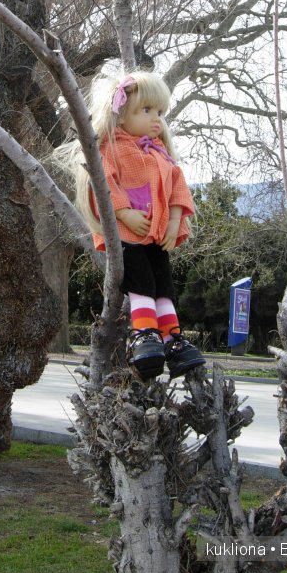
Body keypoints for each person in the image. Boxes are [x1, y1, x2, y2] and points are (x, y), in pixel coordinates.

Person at [67, 70, 205, 379]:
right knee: (142, 284)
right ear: (122, 114)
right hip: (128, 237)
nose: (156, 119)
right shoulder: (111, 149)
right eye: (147, 110)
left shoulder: (160, 154)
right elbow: (103, 181)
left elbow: (178, 188)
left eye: (160, 112)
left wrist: (174, 222)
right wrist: (123, 212)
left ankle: (173, 339)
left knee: (164, 287)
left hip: (156, 237)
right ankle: (144, 334)